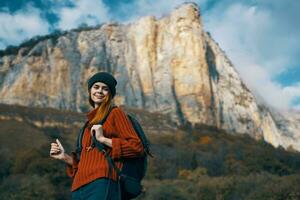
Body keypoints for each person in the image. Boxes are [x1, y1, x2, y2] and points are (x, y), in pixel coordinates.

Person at [50, 72, 144, 200]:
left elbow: (137, 147)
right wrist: (64, 157)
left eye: (105, 89)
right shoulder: (87, 125)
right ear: (90, 91)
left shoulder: (115, 114)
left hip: (102, 182)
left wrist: (103, 139)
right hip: (78, 187)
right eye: (96, 87)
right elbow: (85, 163)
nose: (100, 91)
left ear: (110, 94)